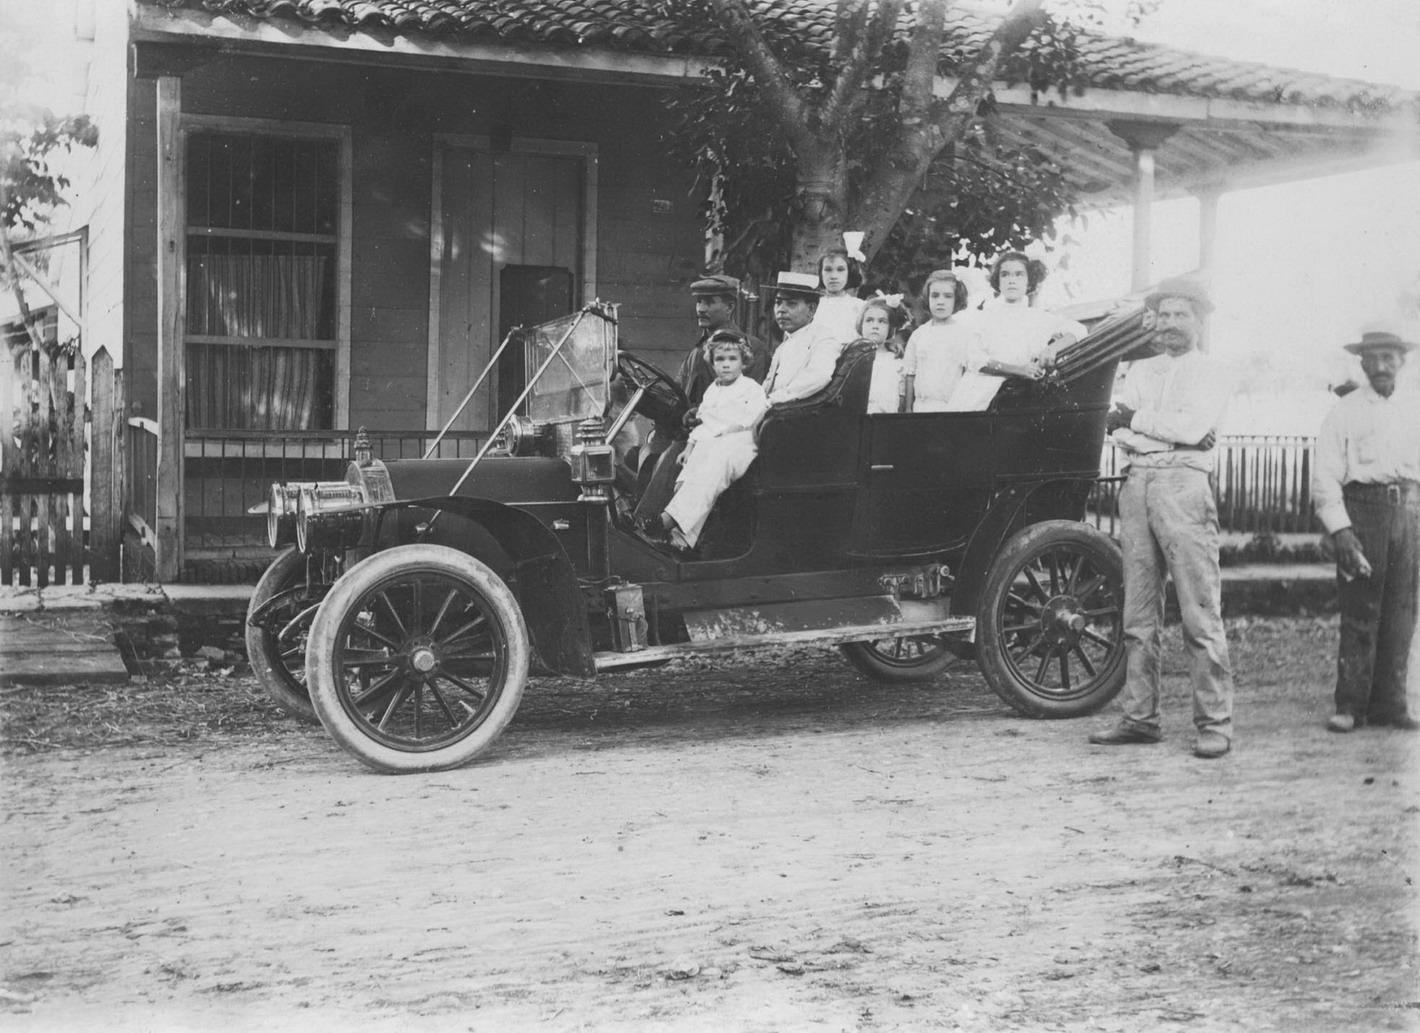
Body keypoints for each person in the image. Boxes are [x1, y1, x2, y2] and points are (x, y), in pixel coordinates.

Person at [1089, 277, 1236, 759]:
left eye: (1182, 315)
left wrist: (1137, 422)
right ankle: (1140, 717)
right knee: (1138, 610)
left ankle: (1214, 723)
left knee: (1199, 608)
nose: (1171, 324)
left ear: (1199, 321)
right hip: (1138, 484)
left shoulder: (1214, 371)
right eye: (1164, 315)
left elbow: (1192, 428)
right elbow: (1119, 435)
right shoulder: (1141, 370)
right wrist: (1152, 429)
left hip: (1183, 487)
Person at [1311, 321, 1420, 733]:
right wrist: (1341, 529)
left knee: (1403, 612)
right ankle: (1350, 705)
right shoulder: (1345, 410)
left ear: (1403, 362)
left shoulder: (1414, 407)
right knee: (1361, 608)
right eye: (1373, 358)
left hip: (1409, 513)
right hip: (1364, 513)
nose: (1381, 366)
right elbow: (1324, 477)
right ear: (1361, 362)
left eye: (1389, 358)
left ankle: (1391, 705)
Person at [644, 332, 768, 552]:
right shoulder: (713, 391)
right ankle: (680, 541)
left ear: (743, 362)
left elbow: (756, 415)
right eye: (720, 360)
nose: (726, 365)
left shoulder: (751, 388)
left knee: (707, 473)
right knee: (687, 476)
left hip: (739, 442)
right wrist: (690, 447)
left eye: (732, 359)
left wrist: (734, 427)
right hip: (711, 442)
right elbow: (703, 422)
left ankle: (667, 520)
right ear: (712, 363)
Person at [946, 251, 1085, 411]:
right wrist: (1020, 370)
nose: (1011, 280)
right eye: (1005, 275)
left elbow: (1078, 329)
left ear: (1029, 281)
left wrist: (1051, 349)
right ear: (998, 281)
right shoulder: (984, 317)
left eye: (1019, 275)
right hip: (979, 392)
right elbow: (975, 360)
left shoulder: (1038, 317)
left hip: (1020, 394)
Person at [681, 274, 768, 405]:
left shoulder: (753, 348)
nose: (701, 309)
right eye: (699, 301)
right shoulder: (697, 351)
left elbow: (747, 403)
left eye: (709, 302)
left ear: (730, 308)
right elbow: (678, 390)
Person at [761, 271, 843, 404]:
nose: (781, 309)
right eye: (778, 303)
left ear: (811, 309)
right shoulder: (783, 345)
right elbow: (768, 384)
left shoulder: (824, 340)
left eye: (791, 303)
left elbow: (818, 377)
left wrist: (773, 400)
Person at [902, 270, 972, 413]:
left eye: (947, 296)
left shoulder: (964, 334)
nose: (940, 301)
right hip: (921, 407)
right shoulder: (919, 334)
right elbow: (910, 374)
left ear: (956, 299)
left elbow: (967, 375)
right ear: (927, 298)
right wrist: (908, 410)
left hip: (953, 408)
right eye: (935, 296)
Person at [811, 240, 866, 345]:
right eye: (828, 270)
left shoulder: (859, 307)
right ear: (821, 273)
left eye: (840, 270)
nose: (833, 276)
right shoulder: (813, 306)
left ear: (849, 273)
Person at [860, 295, 908, 414]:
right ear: (861, 325)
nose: (875, 326)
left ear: (890, 328)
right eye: (869, 320)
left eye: (882, 321)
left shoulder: (896, 360)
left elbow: (901, 396)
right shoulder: (852, 356)